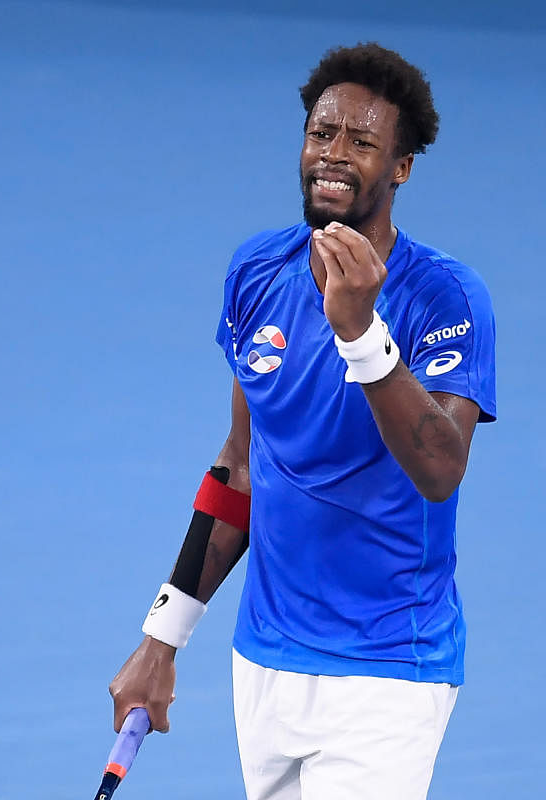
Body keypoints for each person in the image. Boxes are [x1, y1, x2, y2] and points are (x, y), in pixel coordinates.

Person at [109, 42, 497, 800]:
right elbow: (241, 467)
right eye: (322, 134)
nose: (334, 155)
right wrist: (162, 637)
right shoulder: (256, 272)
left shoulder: (445, 299)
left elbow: (441, 468)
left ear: (402, 167)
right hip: (265, 668)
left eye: (362, 142)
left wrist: (360, 334)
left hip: (388, 669)